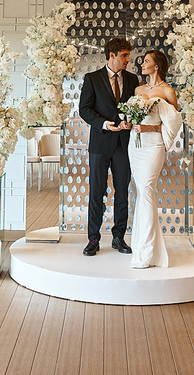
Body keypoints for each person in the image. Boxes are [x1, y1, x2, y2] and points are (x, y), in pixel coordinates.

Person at [79, 37, 139, 256]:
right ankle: (93, 239)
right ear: (112, 55)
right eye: (124, 55)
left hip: (124, 144)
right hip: (100, 143)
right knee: (97, 192)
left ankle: (119, 237)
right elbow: (84, 109)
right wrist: (104, 124)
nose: (128, 60)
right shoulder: (92, 78)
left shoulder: (133, 80)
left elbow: (135, 109)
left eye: (128, 56)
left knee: (122, 192)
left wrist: (130, 121)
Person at [128, 49, 182, 269]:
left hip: (153, 146)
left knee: (148, 191)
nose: (142, 64)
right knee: (142, 193)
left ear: (156, 66)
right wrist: (129, 123)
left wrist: (148, 126)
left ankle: (148, 253)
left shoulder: (168, 91)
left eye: (146, 61)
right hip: (135, 145)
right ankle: (142, 246)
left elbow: (174, 123)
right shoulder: (138, 89)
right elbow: (132, 117)